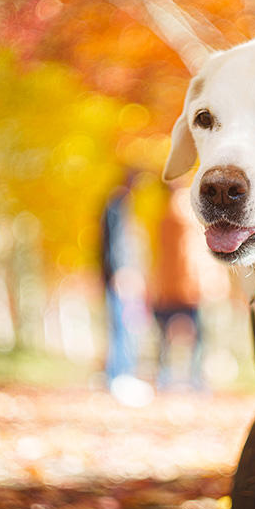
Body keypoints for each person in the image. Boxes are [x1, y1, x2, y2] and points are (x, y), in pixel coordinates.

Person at [101, 173, 154, 406]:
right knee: (122, 327)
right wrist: (121, 271)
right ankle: (119, 377)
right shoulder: (118, 204)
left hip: (124, 274)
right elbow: (116, 243)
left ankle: (121, 375)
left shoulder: (122, 204)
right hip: (121, 276)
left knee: (127, 326)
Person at [151, 186, 205, 390]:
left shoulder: (163, 215)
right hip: (186, 287)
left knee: (165, 335)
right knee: (197, 335)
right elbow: (190, 255)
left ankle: (166, 376)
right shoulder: (186, 216)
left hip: (168, 286)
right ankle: (195, 377)